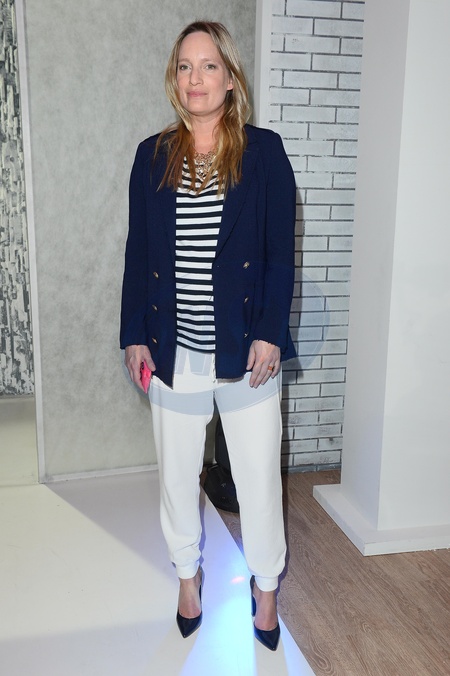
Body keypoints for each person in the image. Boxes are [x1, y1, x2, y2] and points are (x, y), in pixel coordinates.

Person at [120, 21, 296, 651]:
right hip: (174, 351)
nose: (196, 78)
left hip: (245, 351)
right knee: (176, 477)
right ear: (176, 79)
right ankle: (187, 577)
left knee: (257, 478)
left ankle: (266, 587)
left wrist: (270, 332)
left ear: (230, 78)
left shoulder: (264, 152)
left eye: (209, 65)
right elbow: (139, 254)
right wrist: (134, 334)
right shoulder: (152, 155)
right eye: (185, 66)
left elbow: (279, 254)